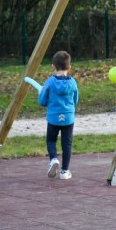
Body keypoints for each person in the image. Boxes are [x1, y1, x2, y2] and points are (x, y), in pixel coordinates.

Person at [39, 51, 79, 180]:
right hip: (68, 118)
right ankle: (64, 171)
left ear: (53, 67)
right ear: (69, 67)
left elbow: (42, 101)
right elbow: (76, 99)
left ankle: (53, 159)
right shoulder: (72, 82)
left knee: (51, 140)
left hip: (53, 118)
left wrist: (42, 95)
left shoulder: (50, 82)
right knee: (66, 144)